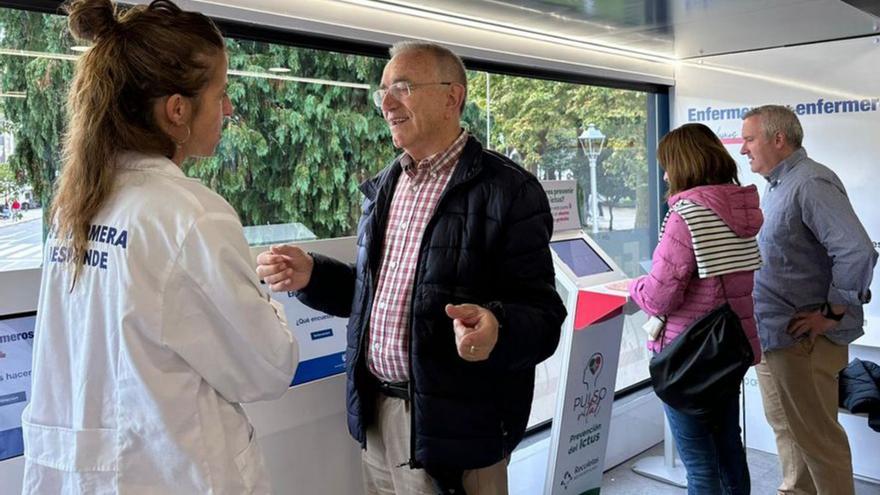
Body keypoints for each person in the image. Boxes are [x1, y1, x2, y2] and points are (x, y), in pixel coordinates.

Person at [257, 41, 566, 494]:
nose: (385, 103)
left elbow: (543, 314)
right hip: (379, 415)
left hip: (459, 430)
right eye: (382, 90)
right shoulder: (386, 185)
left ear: (451, 98)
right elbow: (375, 295)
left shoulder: (509, 191)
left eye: (401, 87)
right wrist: (314, 276)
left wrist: (496, 327)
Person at [21, 1, 299, 493]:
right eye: (222, 94)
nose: (228, 109)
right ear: (177, 111)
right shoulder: (190, 215)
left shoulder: (77, 205)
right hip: (175, 473)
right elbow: (268, 369)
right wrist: (271, 310)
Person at [741, 105, 877, 495]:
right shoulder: (778, 185)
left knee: (818, 438)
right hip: (776, 336)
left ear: (778, 139)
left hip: (807, 341)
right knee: (786, 427)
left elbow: (856, 251)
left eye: (750, 139)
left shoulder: (811, 182)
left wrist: (832, 313)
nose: (743, 149)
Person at [624, 123, 763, 494]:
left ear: (685, 163)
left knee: (700, 464)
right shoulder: (740, 206)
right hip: (730, 346)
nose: (666, 175)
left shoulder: (686, 214)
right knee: (729, 448)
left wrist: (631, 286)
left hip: (689, 354)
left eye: (668, 165)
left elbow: (659, 297)